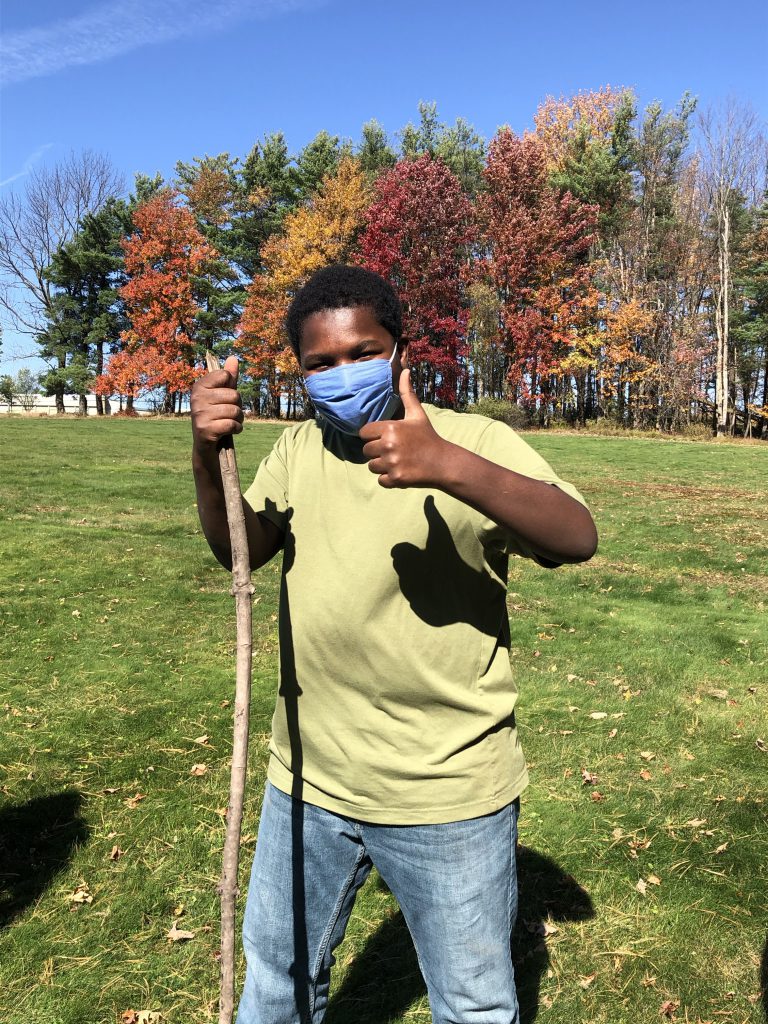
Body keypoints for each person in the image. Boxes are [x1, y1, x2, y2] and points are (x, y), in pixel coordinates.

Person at [191, 264, 597, 1024]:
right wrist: (207, 457)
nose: (342, 375)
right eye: (321, 364)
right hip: (307, 779)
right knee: (276, 982)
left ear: (401, 352)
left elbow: (576, 536)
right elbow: (240, 549)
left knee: (473, 1004)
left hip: (446, 790)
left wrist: (447, 464)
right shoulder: (299, 449)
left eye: (362, 353)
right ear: (302, 374)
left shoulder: (474, 439)